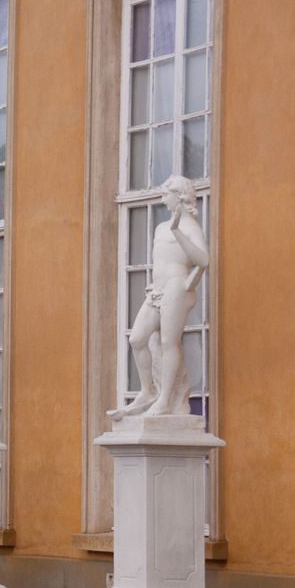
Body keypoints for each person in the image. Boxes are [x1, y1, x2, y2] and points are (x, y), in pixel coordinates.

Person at [110, 175, 209, 421]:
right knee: (137, 338)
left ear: (180, 196)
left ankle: (165, 400)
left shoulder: (190, 228)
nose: (163, 200)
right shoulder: (160, 227)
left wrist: (177, 231)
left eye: (166, 195)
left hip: (177, 287)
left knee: (168, 342)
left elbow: (203, 260)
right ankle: (148, 391)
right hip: (156, 289)